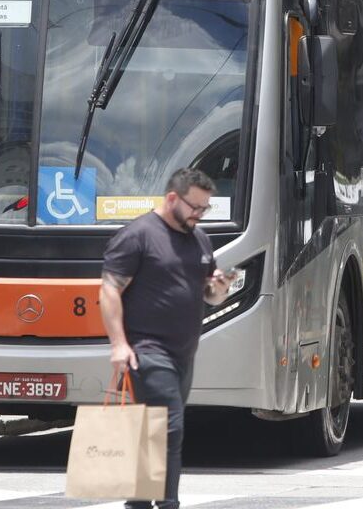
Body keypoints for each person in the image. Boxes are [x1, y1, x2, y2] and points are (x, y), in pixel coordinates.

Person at [100, 167, 235, 509]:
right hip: (147, 349)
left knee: (153, 430)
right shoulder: (139, 235)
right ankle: (167, 503)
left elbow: (209, 293)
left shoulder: (199, 238)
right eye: (195, 207)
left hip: (183, 353)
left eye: (205, 209)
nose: (199, 215)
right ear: (172, 198)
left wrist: (219, 289)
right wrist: (118, 344)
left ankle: (140, 503)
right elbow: (110, 291)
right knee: (169, 427)